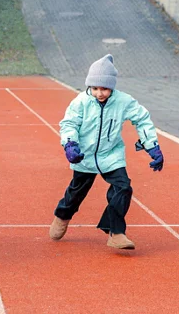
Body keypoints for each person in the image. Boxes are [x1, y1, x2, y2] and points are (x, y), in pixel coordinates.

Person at [49, 54, 163, 250]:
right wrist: (70, 145)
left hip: (111, 155)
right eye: (95, 88)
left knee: (124, 188)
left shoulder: (124, 101)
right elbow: (69, 123)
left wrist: (152, 146)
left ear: (112, 86)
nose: (99, 93)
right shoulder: (81, 102)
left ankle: (116, 233)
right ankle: (62, 215)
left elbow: (142, 119)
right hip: (84, 155)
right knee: (76, 192)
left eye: (104, 88)